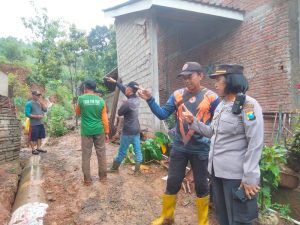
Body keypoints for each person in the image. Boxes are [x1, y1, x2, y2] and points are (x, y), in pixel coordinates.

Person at [138, 62, 220, 225]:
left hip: (201, 149)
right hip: (180, 147)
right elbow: (162, 114)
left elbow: (217, 126)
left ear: (200, 75)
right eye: (184, 77)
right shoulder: (176, 95)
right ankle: (167, 217)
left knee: (202, 187)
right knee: (173, 182)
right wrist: (150, 100)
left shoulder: (212, 97)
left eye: (190, 76)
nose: (186, 80)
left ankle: (203, 222)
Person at [183, 64, 263, 225]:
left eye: (219, 80)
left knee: (240, 220)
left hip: (236, 177)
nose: (216, 84)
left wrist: (249, 177)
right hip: (217, 173)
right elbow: (212, 132)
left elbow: (255, 142)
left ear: (231, 81)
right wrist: (194, 122)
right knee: (223, 217)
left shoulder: (248, 105)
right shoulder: (221, 105)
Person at [105, 77, 142, 175]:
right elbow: (123, 89)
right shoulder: (137, 99)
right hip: (136, 130)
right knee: (137, 150)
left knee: (122, 151)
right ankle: (137, 171)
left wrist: (123, 103)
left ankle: (114, 168)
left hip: (128, 131)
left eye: (127, 88)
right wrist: (115, 82)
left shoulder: (128, 103)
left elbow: (120, 113)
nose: (125, 88)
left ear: (129, 89)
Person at [76, 80, 110, 185]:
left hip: (86, 131)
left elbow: (77, 113)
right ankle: (103, 178)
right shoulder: (101, 100)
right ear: (94, 88)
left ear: (85, 87)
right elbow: (104, 118)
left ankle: (87, 180)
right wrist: (107, 132)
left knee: (86, 155)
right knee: (101, 154)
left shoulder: (81, 99)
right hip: (99, 130)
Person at [24, 91, 47, 155]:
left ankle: (38, 148)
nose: (38, 97)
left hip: (40, 123)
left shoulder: (39, 103)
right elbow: (27, 114)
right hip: (33, 124)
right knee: (32, 137)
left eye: (39, 95)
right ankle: (33, 150)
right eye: (37, 95)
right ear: (33, 95)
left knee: (40, 136)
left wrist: (42, 103)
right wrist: (36, 116)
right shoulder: (29, 103)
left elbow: (45, 110)